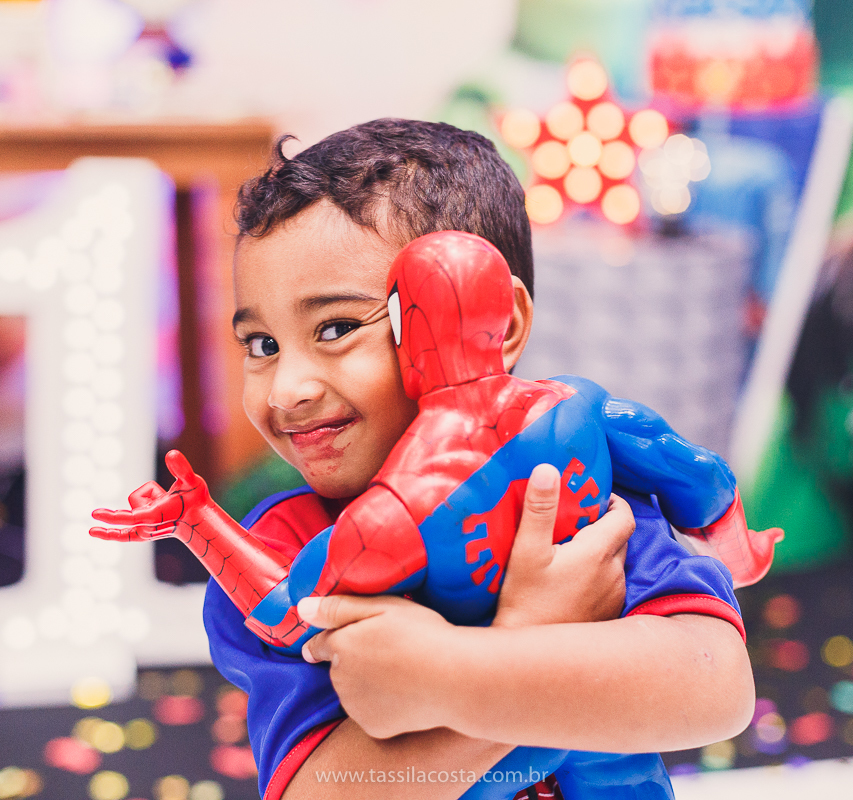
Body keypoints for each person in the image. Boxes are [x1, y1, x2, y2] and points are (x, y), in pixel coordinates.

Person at [98, 119, 756, 799]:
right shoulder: (283, 552)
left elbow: (715, 688)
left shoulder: (570, 497)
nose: (286, 389)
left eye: (335, 328)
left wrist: (453, 672)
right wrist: (532, 632)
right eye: (261, 345)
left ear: (497, 328)